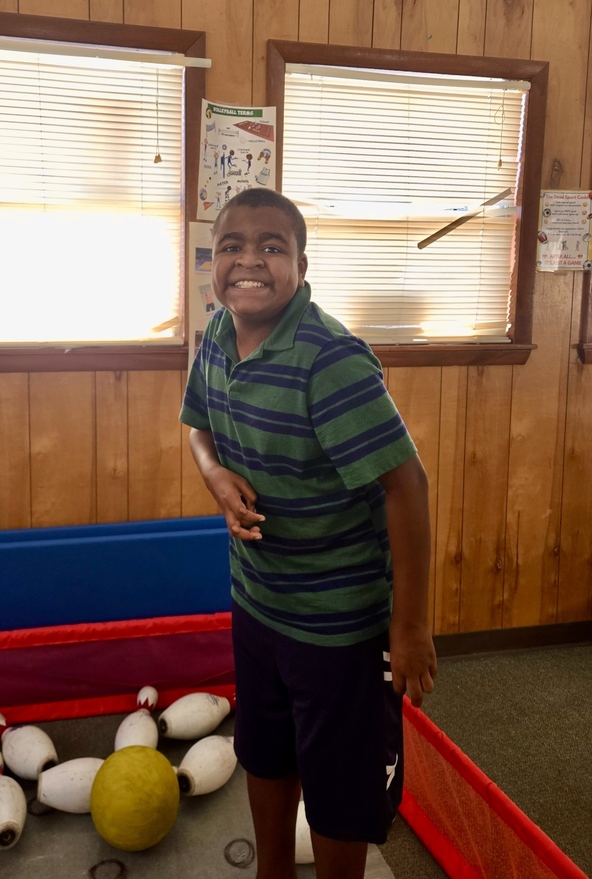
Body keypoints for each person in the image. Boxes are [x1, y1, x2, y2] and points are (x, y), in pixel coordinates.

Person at [180, 189, 437, 879]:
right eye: (232, 244)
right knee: (264, 753)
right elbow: (198, 427)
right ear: (213, 258)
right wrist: (214, 476)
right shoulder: (215, 335)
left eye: (271, 246)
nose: (249, 260)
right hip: (257, 600)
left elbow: (406, 485)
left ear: (299, 263)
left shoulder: (330, 359)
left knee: (339, 787)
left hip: (337, 625)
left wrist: (408, 628)